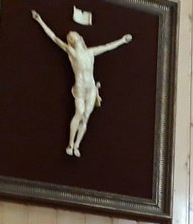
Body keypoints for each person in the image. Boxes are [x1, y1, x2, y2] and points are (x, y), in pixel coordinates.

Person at [31, 10, 132, 158]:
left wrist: (123, 40)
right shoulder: (71, 51)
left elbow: (108, 46)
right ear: (70, 41)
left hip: (91, 88)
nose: (72, 36)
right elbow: (53, 37)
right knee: (78, 113)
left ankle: (77, 145)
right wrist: (39, 20)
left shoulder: (90, 52)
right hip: (79, 88)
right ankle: (70, 143)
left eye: (74, 35)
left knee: (85, 117)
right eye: (70, 36)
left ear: (80, 37)